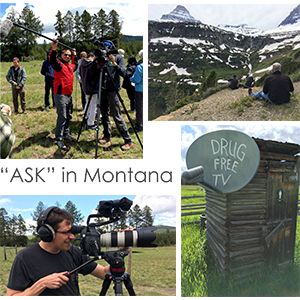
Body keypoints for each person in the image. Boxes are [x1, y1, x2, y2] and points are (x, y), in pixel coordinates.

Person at [6, 207, 110, 296]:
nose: (72, 237)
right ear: (47, 233)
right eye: (66, 232)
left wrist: (119, 253)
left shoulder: (73, 251)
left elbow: (104, 273)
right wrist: (42, 284)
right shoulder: (25, 257)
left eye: (72, 231)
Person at [99, 42, 133, 151]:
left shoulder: (118, 58)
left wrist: (113, 62)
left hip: (113, 90)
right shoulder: (101, 58)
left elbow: (124, 73)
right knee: (104, 114)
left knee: (116, 115)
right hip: (102, 89)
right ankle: (107, 135)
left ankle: (128, 140)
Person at [49, 41, 78, 150]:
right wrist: (54, 49)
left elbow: (77, 64)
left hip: (69, 94)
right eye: (65, 54)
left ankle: (66, 133)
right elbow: (52, 61)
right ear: (61, 55)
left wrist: (75, 55)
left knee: (69, 115)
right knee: (62, 116)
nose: (67, 56)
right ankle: (59, 138)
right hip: (60, 94)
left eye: (69, 55)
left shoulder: (70, 66)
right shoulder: (59, 65)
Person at [79, 52, 98, 129]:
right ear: (94, 57)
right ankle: (91, 123)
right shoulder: (92, 64)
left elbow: (80, 74)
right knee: (93, 105)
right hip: (92, 87)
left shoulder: (82, 64)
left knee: (87, 102)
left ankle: (85, 117)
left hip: (85, 87)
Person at [130, 50, 143, 132]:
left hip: (140, 90)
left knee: (139, 109)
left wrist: (131, 79)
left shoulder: (140, 67)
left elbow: (137, 79)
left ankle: (139, 126)